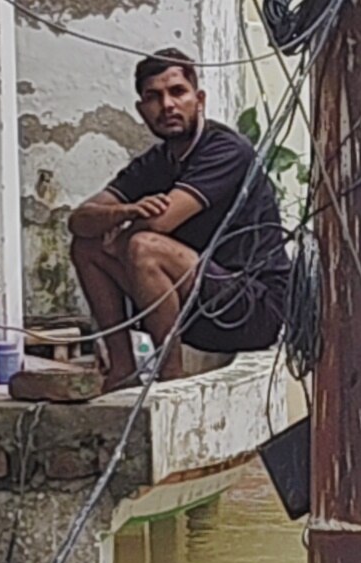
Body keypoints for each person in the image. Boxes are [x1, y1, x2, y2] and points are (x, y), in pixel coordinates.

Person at [68, 48, 291, 386]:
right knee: (87, 247)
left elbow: (161, 222)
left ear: (199, 100)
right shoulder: (156, 162)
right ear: (141, 110)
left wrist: (122, 231)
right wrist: (124, 211)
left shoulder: (226, 149)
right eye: (154, 97)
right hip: (195, 306)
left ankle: (169, 378)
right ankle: (122, 370)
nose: (167, 105)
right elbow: (79, 220)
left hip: (251, 309)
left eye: (177, 92)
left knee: (145, 247)